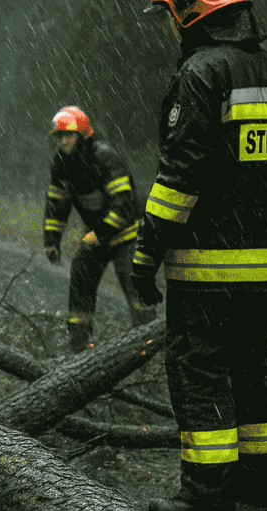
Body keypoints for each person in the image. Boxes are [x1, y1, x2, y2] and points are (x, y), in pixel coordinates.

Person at [132, 0, 267, 511]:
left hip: (207, 266)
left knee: (199, 368)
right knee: (251, 363)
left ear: (191, 14)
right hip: (265, 264)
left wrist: (147, 252)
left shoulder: (201, 72)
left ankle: (208, 491)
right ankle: (259, 481)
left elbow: (181, 177)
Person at [42, 105, 156, 352]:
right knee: (81, 274)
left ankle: (149, 346)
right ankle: (79, 346)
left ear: (82, 135)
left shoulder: (104, 157)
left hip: (128, 235)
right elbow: (56, 204)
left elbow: (125, 206)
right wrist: (51, 239)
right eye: (60, 136)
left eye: (68, 135)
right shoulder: (61, 164)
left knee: (137, 293)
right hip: (97, 237)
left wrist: (102, 233)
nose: (63, 141)